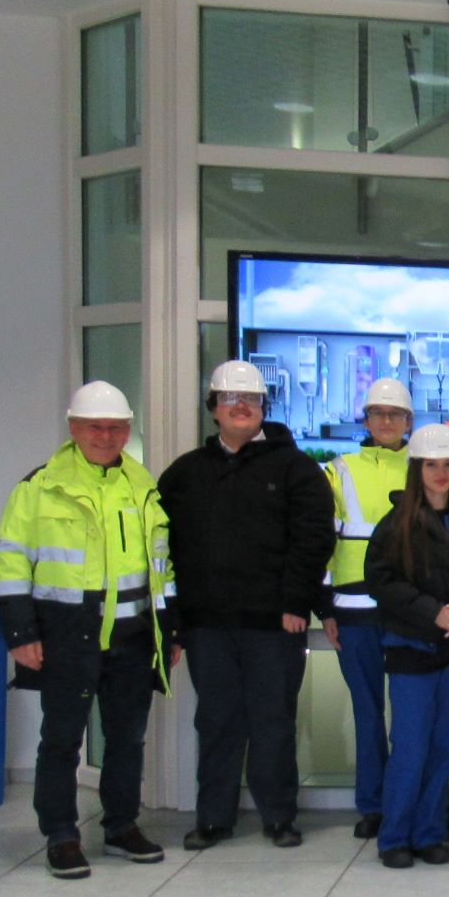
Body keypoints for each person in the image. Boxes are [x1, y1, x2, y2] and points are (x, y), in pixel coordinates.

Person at [0, 382, 176, 880]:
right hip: (66, 634)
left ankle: (121, 826)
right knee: (62, 739)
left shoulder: (142, 486)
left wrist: (169, 632)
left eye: (116, 427)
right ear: (73, 428)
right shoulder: (39, 487)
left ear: (128, 431)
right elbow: (10, 563)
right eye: (95, 426)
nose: (106, 436)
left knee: (127, 739)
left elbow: (163, 568)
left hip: (133, 635)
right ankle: (61, 834)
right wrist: (20, 634)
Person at [159, 361, 335, 851]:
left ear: (264, 407)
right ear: (213, 408)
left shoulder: (295, 469)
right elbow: (163, 549)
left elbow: (313, 540)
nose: (241, 407)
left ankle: (278, 816)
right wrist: (175, 622)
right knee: (216, 721)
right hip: (207, 625)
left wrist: (297, 602)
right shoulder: (185, 474)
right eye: (230, 399)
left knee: (272, 721)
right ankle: (213, 818)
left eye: (251, 400)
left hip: (275, 624)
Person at [362, 422, 449, 868]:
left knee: (444, 747)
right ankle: (394, 837)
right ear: (417, 470)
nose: (442, 473)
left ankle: (429, 832)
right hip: (411, 649)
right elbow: (381, 581)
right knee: (411, 748)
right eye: (432, 465)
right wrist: (433, 612)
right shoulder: (396, 524)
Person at [321, 377, 411, 843]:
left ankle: (404, 801)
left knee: (410, 716)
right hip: (354, 611)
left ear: (408, 421)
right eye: (379, 413)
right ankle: (373, 805)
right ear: (367, 419)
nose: (387, 421)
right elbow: (321, 543)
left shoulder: (425, 466)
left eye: (395, 414)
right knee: (369, 712)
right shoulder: (339, 471)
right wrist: (325, 608)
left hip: (410, 611)